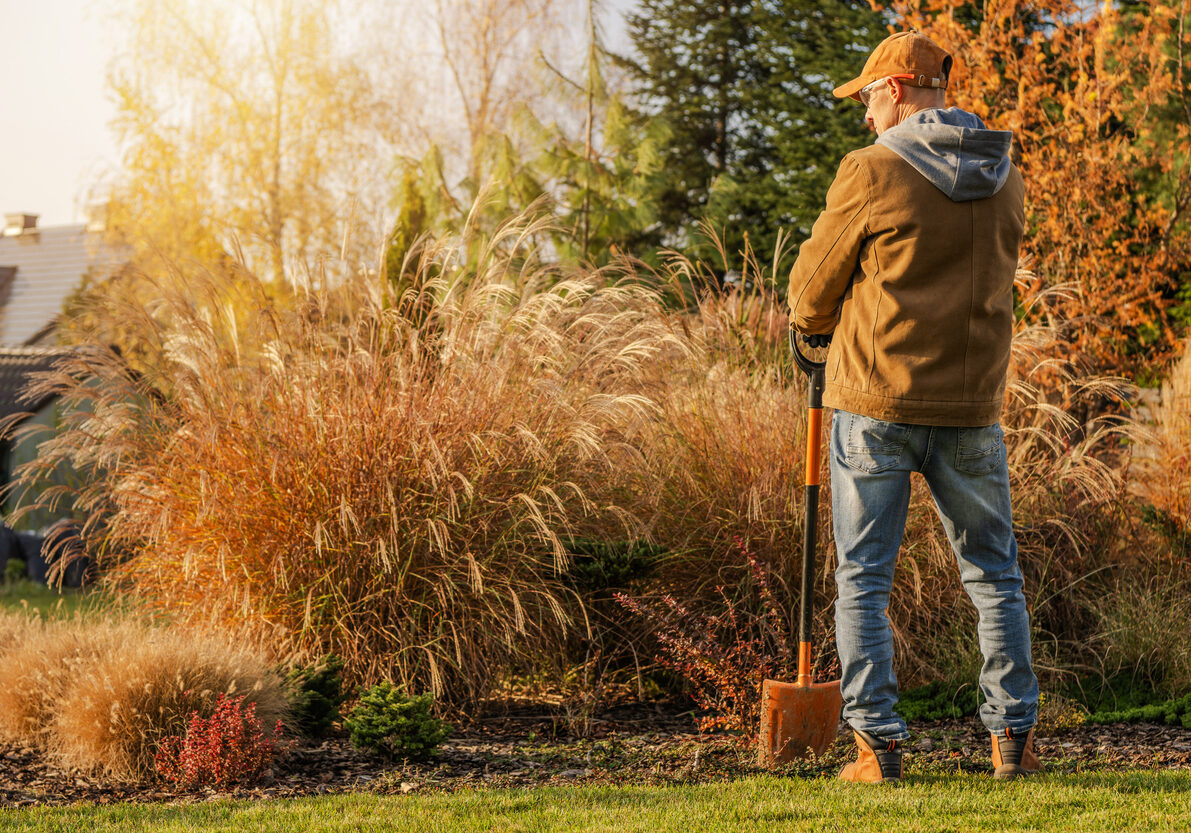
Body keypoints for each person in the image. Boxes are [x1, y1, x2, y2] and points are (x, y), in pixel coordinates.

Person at [787, 30, 1040, 783]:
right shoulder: (1007, 177)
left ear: (895, 88)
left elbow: (810, 289)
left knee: (864, 577)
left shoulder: (871, 171)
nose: (865, 116)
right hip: (970, 408)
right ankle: (1013, 741)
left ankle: (877, 746)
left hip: (876, 402)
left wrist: (809, 331)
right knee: (994, 577)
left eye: (867, 99)